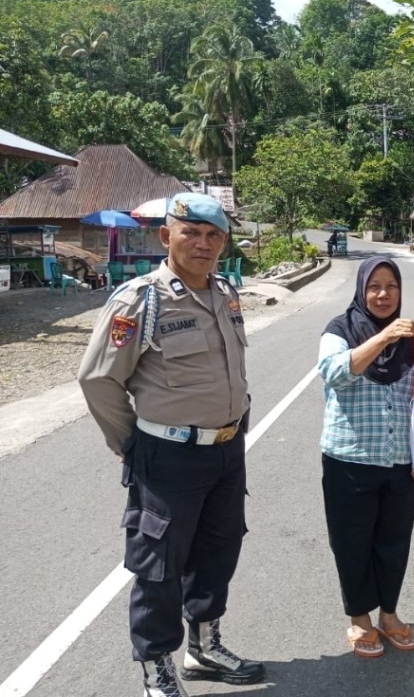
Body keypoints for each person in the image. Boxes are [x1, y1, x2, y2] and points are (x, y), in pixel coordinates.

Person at [77, 192, 264, 697]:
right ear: (167, 236)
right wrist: (132, 445)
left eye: (214, 235)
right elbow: (98, 380)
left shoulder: (225, 293)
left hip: (226, 450)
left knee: (218, 550)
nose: (204, 244)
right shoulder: (141, 299)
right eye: (192, 233)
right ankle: (156, 668)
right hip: (167, 457)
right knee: (158, 568)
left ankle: (204, 646)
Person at [317, 255, 414, 658]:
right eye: (374, 286)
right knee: (352, 542)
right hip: (350, 460)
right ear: (361, 289)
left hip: (401, 461)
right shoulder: (340, 330)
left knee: (393, 542)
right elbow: (334, 372)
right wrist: (383, 338)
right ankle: (360, 620)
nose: (383, 294)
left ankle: (390, 614)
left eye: (391, 286)